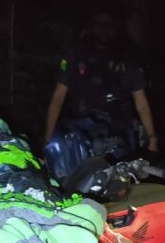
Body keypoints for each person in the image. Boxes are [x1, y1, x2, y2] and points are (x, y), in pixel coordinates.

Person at [44, 11, 158, 153]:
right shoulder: (76, 54)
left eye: (108, 24)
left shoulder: (127, 57)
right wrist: (48, 139)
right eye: (99, 24)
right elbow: (58, 96)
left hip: (119, 135)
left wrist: (152, 139)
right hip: (81, 133)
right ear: (91, 26)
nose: (104, 29)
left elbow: (141, 101)